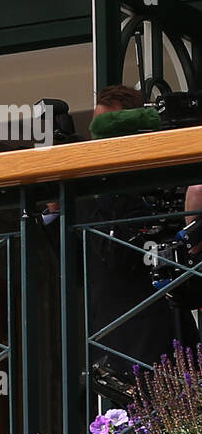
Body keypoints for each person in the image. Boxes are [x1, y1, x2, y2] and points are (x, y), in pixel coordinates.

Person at [56, 86, 201, 391]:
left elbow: (121, 255)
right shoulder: (94, 194)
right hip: (109, 334)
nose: (100, 143)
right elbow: (79, 267)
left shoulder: (156, 187)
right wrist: (56, 203)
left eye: (109, 132)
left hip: (159, 330)